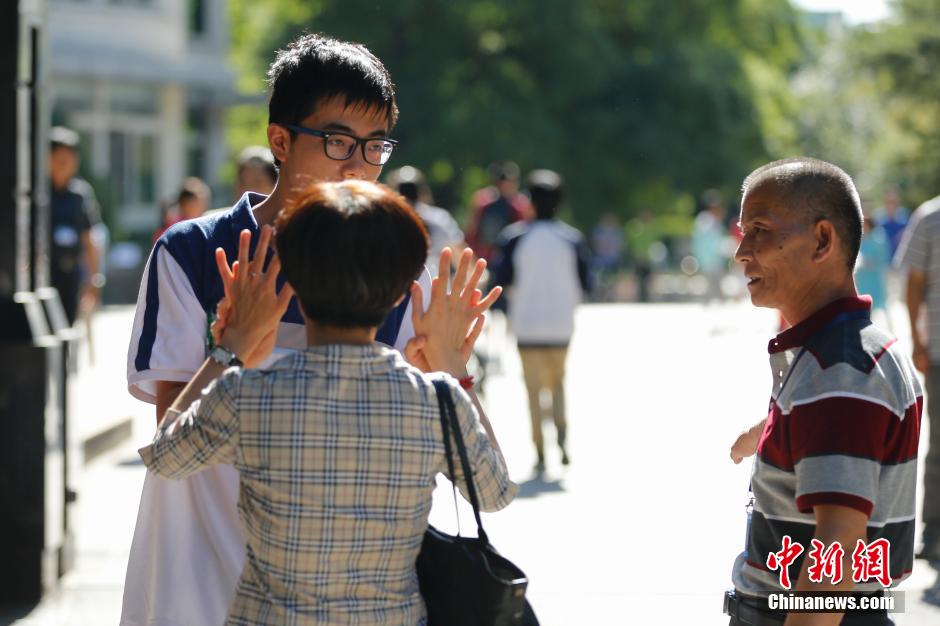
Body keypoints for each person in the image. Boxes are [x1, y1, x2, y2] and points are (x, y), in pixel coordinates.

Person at [123, 33, 496, 626]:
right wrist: (232, 348)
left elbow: (455, 461)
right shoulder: (194, 253)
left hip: (336, 593)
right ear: (279, 139)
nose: (358, 165)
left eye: (375, 146)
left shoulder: (395, 271)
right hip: (197, 569)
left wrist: (449, 371)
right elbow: (172, 445)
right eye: (338, 140)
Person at [140, 180, 515, 625]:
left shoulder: (246, 393)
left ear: (292, 282)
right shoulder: (435, 399)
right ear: (401, 293)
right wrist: (453, 366)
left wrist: (230, 349)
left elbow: (165, 457)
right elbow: (495, 492)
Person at [726, 158, 922, 626]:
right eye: (742, 230)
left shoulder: (840, 373)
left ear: (822, 240)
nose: (742, 252)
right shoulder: (845, 354)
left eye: (759, 229)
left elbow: (837, 555)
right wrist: (769, 431)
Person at [492, 170, 591, 472]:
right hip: (561, 325)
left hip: (527, 325)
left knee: (533, 391)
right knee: (558, 384)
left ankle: (539, 451)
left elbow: (502, 281)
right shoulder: (571, 239)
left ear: (529, 201)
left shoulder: (515, 238)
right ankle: (562, 437)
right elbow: (586, 282)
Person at [894, 193, 940, 564]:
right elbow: (914, 283)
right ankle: (934, 529)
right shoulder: (929, 217)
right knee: (939, 443)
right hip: (939, 352)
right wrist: (917, 340)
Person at [49, 126, 102, 326]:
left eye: (69, 159)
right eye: (59, 159)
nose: (65, 164)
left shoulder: (80, 195)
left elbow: (90, 238)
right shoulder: (40, 193)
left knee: (69, 327)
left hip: (71, 274)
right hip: (44, 274)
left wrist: (94, 278)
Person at [389, 165, 465, 276]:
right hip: (426, 283)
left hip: (418, 282)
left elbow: (458, 252)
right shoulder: (439, 218)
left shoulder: (438, 219)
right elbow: (459, 253)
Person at [465, 161, 532, 264]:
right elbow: (473, 231)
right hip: (485, 256)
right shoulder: (484, 202)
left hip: (509, 257)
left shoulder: (520, 205)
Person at [152, 176, 211, 243]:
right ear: (186, 204)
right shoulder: (174, 228)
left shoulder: (202, 222)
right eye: (200, 202)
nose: (204, 206)